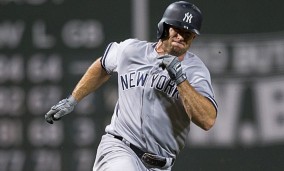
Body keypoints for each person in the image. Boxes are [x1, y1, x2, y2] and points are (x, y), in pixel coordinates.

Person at [45, 1, 218, 171]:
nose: (181, 36)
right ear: (164, 27)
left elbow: (207, 120)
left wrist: (181, 80)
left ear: (194, 37)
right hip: (120, 147)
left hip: (161, 164)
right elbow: (103, 65)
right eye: (177, 29)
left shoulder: (195, 70)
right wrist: (73, 99)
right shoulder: (132, 51)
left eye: (188, 33)